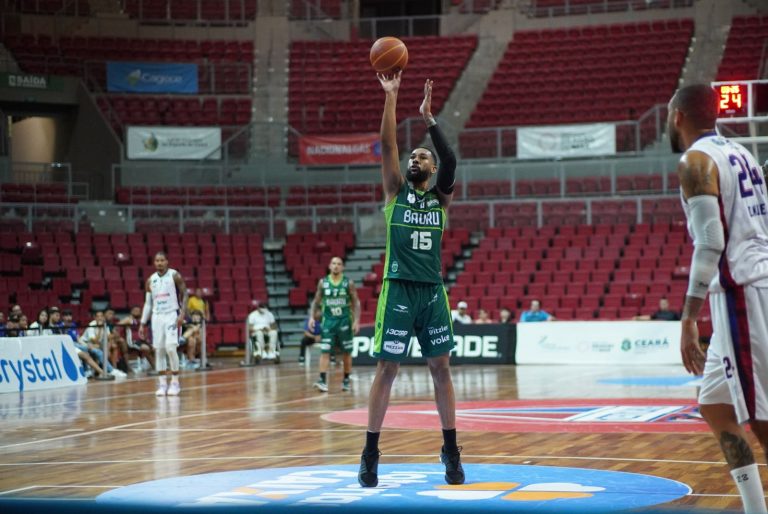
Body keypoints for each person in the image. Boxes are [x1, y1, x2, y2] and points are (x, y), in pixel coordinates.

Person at [358, 73, 463, 488]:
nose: (415, 159)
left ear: (433, 169)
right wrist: (392, 96)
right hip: (399, 287)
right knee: (387, 368)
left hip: (432, 292)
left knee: (442, 369)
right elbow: (388, 146)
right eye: (413, 156)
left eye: (422, 157)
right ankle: (370, 453)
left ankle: (451, 450)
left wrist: (429, 119)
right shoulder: (395, 192)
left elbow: (451, 160)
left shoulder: (441, 199)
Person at [671, 84, 768, 514]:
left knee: (761, 420)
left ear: (677, 116)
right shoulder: (742, 152)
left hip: (742, 293)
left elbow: (710, 241)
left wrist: (688, 319)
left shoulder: (695, 160)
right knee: (714, 405)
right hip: (746, 288)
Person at [139, 251, 188, 396]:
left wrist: (182, 314)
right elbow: (148, 304)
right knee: (159, 349)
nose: (159, 263)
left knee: (171, 348)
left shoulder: (175, 275)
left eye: (162, 260)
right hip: (157, 317)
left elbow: (185, 294)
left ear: (167, 261)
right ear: (154, 263)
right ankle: (162, 384)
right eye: (157, 261)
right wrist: (142, 323)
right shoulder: (150, 280)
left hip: (172, 314)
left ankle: (175, 382)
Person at [309, 256, 360, 392]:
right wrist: (312, 317)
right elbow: (316, 301)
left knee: (346, 352)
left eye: (339, 264)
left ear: (342, 267)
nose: (336, 266)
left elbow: (356, 302)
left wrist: (356, 321)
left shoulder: (348, 283)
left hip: (344, 321)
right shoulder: (323, 282)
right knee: (325, 351)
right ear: (329, 266)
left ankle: (346, 380)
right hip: (328, 322)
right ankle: (322, 380)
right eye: (333, 263)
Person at [80, 311, 126, 378]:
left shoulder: (105, 324)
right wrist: (100, 329)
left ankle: (114, 369)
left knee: (114, 347)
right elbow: (95, 341)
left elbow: (108, 336)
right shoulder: (91, 325)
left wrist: (115, 335)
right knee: (98, 351)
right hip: (85, 344)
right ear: (95, 318)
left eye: (101, 316)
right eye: (98, 316)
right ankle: (108, 370)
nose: (100, 318)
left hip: (97, 344)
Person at [117, 305, 155, 372]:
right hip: (132, 341)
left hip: (142, 340)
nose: (137, 312)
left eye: (138, 311)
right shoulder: (128, 319)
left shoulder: (141, 320)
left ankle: (155, 366)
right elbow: (117, 325)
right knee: (146, 348)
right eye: (135, 310)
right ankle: (154, 367)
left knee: (155, 348)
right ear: (131, 312)